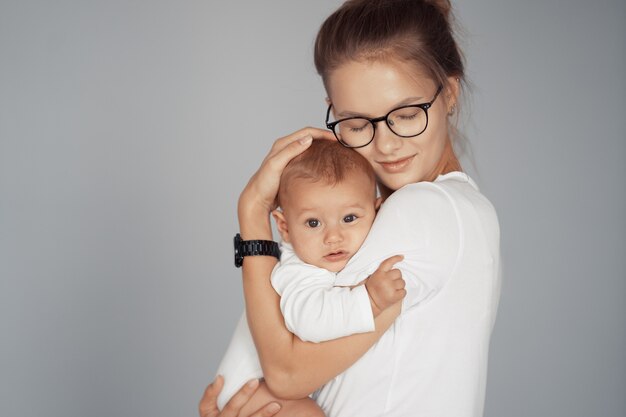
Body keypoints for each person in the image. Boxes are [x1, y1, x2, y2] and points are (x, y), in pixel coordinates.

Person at [200, 0, 501, 416]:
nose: (386, 144)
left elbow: (285, 374)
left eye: (408, 114)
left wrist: (253, 209)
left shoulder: (423, 210)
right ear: (332, 109)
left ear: (449, 93)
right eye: (357, 124)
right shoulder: (460, 210)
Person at [215, 140, 405, 416]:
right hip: (248, 391)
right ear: (285, 228)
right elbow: (311, 321)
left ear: (377, 212)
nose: (333, 237)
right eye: (313, 223)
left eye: (350, 218)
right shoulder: (296, 271)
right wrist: (371, 300)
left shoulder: (324, 259)